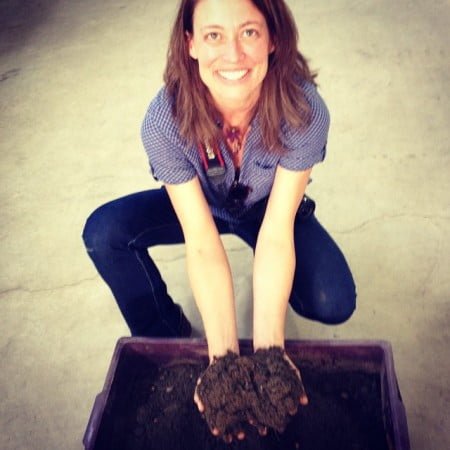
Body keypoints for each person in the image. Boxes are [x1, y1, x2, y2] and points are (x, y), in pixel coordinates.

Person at [83, 0, 356, 441]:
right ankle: (168, 335)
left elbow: (277, 230)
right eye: (213, 35)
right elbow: (202, 241)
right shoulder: (164, 122)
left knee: (334, 299)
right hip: (202, 205)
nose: (232, 54)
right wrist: (222, 363)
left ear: (274, 40)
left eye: (249, 32)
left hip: (269, 210)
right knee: (105, 232)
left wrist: (269, 355)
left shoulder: (305, 113)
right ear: (190, 44)